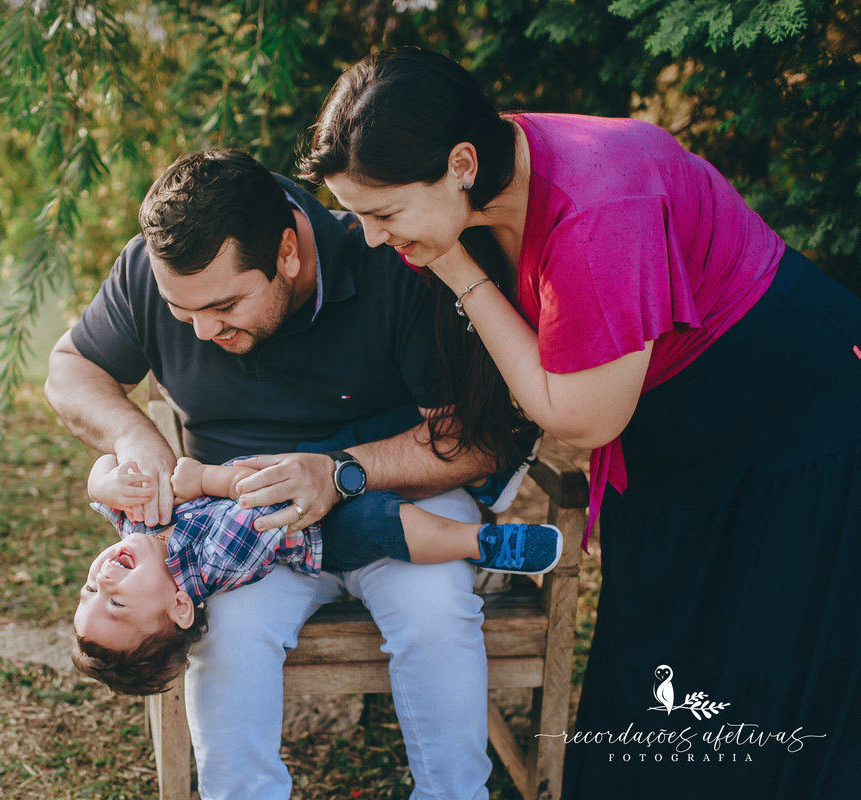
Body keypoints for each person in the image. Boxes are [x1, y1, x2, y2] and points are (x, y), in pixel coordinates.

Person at [297, 46, 861, 800]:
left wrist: (459, 270)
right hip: (675, 427)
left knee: (760, 669)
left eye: (385, 213)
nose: (372, 237)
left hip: (789, 417)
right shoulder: (493, 174)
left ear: (461, 161)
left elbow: (581, 415)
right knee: (660, 658)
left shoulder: (600, 209)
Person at [45, 147, 528, 800]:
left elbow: (477, 441)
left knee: (436, 610)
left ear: (288, 253)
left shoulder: (393, 264)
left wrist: (339, 473)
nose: (202, 329)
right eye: (183, 312)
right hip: (245, 540)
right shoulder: (153, 272)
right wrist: (134, 434)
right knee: (227, 640)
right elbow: (69, 369)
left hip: (395, 500)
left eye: (223, 306)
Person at [72, 452, 562, 695]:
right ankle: (483, 544)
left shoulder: (137, 528)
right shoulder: (215, 558)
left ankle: (481, 532)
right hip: (318, 531)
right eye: (116, 602)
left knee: (390, 512)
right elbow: (269, 496)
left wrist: (106, 479)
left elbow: (100, 479)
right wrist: (204, 479)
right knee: (384, 522)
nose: (106, 579)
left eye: (90, 589)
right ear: (179, 604)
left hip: (311, 486)